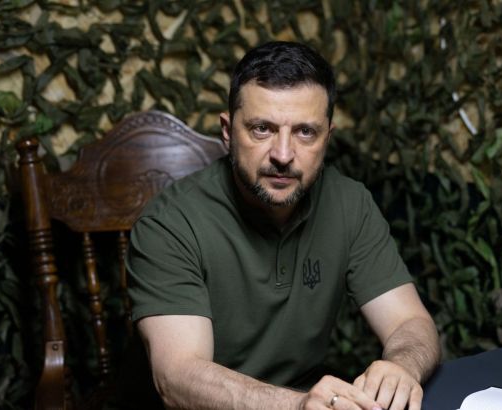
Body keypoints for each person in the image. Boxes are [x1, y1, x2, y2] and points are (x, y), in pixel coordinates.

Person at [126, 41, 440, 410]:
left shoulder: (349, 203)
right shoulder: (169, 224)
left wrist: (401, 367)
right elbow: (178, 377)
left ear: (327, 138)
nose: (284, 155)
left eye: (306, 132)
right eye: (262, 129)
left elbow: (410, 322)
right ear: (228, 131)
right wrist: (297, 405)